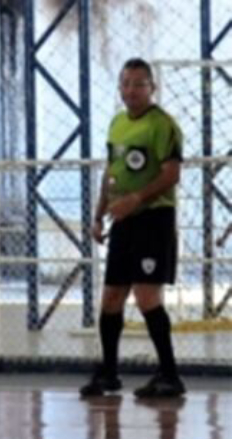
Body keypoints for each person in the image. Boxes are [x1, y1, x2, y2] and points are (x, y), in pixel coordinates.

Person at [81, 58, 185, 399]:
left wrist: (136, 199)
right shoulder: (116, 125)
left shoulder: (162, 125)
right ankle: (108, 372)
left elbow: (171, 173)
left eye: (139, 84)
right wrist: (99, 215)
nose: (131, 91)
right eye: (125, 83)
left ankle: (169, 374)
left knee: (146, 294)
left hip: (152, 219)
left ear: (151, 88)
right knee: (112, 296)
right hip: (122, 222)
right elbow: (111, 174)